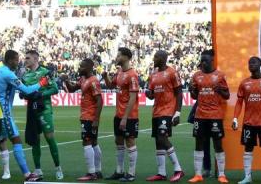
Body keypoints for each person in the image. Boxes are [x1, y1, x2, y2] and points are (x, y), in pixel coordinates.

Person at [0, 50, 49, 182]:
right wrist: (41, 83)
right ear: (10, 60)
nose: (18, 62)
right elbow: (27, 90)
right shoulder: (8, 74)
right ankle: (27, 174)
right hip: (4, 113)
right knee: (16, 140)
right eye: (16, 60)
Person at [232, 56, 261, 184]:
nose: (251, 64)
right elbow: (239, 102)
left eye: (254, 62)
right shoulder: (244, 83)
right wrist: (235, 118)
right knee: (248, 148)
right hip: (249, 122)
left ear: (260, 64)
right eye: (249, 63)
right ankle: (248, 176)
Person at [188, 49, 229, 184]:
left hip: (215, 115)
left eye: (205, 60)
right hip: (200, 115)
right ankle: (198, 174)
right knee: (199, 143)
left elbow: (227, 95)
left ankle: (222, 174)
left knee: (218, 144)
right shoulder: (196, 76)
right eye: (201, 60)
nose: (203, 63)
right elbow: (194, 96)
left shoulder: (220, 76)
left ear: (211, 60)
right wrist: (192, 91)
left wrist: (221, 90)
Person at [144, 50, 184, 182]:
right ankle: (161, 173)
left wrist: (177, 112)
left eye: (156, 57)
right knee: (158, 141)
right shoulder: (153, 74)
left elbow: (179, 92)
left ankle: (178, 169)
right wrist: (148, 94)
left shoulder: (172, 72)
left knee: (162, 138)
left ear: (162, 58)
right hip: (156, 111)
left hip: (167, 111)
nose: (153, 59)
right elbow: (152, 95)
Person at [22, 50, 61, 180]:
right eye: (25, 58)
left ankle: (58, 167)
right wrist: (23, 94)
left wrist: (41, 94)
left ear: (35, 59)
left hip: (45, 110)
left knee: (50, 139)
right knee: (35, 140)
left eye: (28, 58)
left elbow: (55, 89)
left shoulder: (45, 72)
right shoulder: (25, 75)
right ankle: (38, 169)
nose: (25, 60)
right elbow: (24, 91)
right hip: (32, 111)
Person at [102, 47, 140, 182]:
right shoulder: (119, 72)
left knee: (130, 141)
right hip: (118, 114)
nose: (116, 57)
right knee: (118, 141)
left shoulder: (132, 75)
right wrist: (105, 77)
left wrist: (125, 117)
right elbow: (111, 86)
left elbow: (133, 98)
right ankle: (119, 171)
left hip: (129, 116)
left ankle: (131, 173)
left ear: (126, 57)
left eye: (119, 55)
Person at [63, 58, 103, 181]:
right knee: (94, 143)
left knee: (87, 142)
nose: (79, 68)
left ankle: (91, 173)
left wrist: (96, 120)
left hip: (89, 117)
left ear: (89, 68)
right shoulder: (83, 79)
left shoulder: (93, 81)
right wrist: (66, 80)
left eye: (82, 66)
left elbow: (100, 101)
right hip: (86, 116)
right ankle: (98, 171)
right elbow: (71, 89)